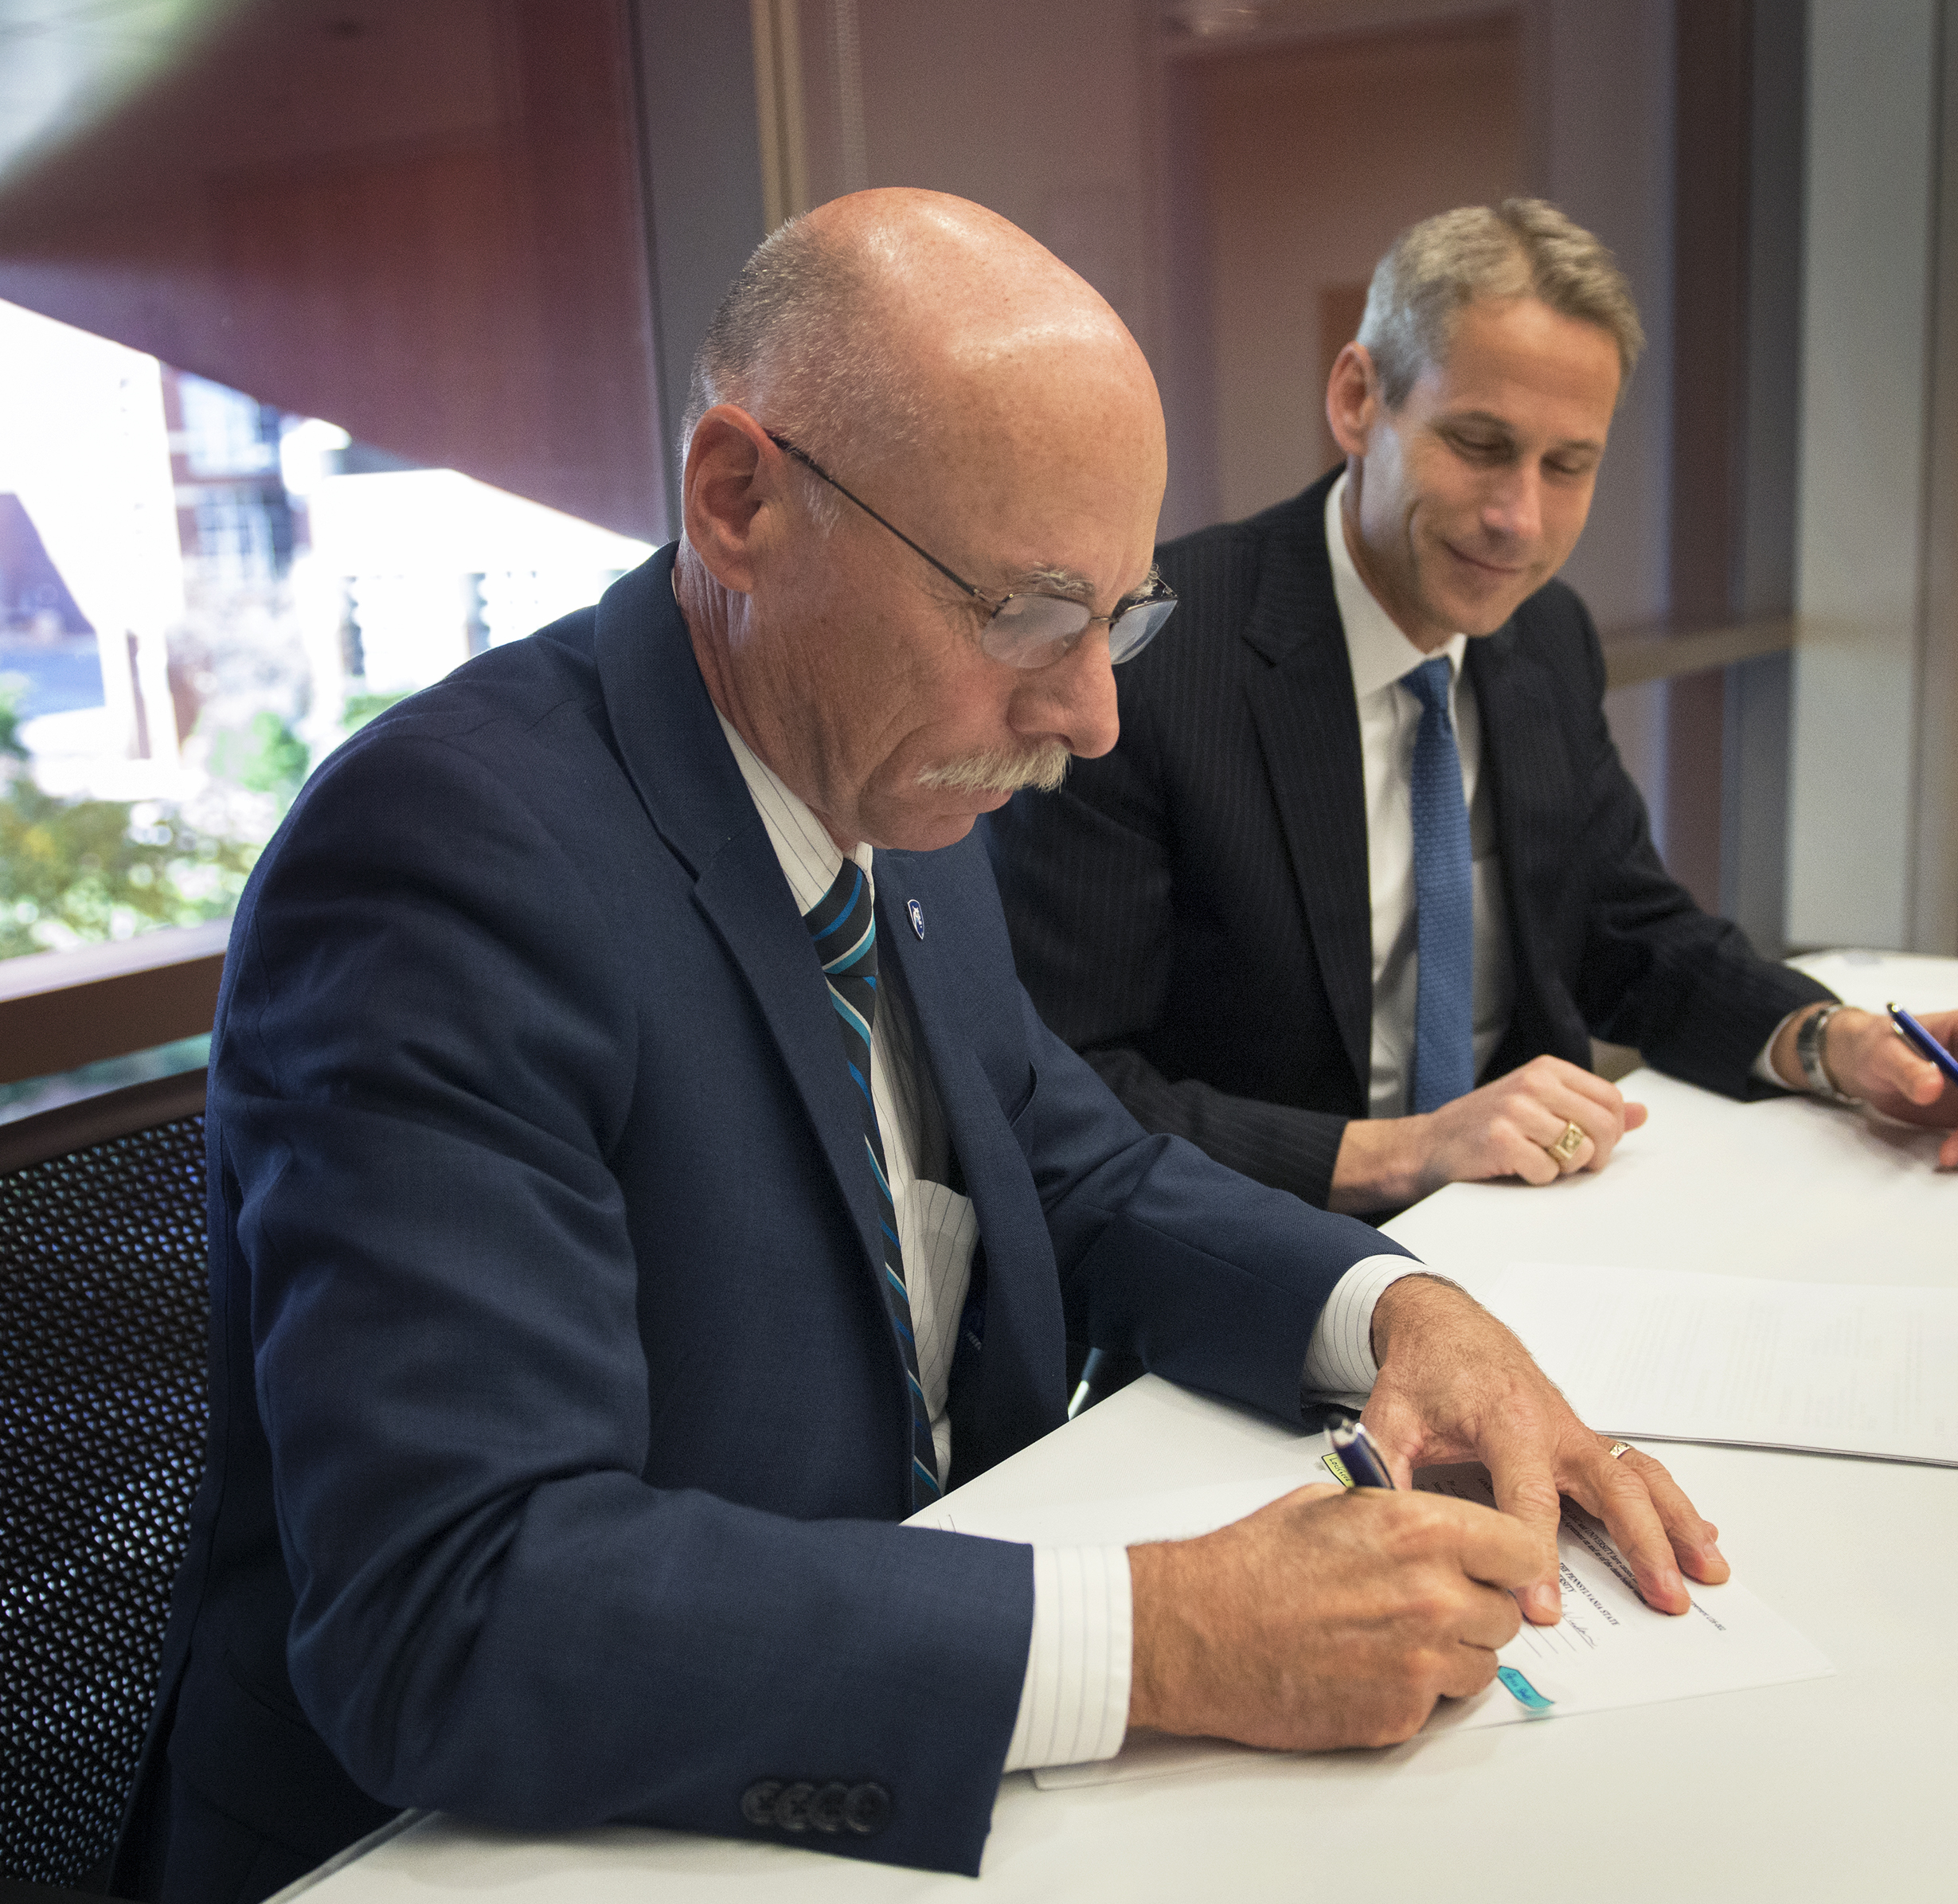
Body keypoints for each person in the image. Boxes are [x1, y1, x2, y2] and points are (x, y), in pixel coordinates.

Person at [114, 191, 1728, 1901]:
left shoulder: (889, 788)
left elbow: (1080, 1164)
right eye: (1029, 613)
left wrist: (1406, 1310)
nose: (1091, 714)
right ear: (740, 502)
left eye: (1122, 617)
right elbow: (457, 1602)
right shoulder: (446, 864)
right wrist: (1172, 1632)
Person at [987, 199, 1958, 1218]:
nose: (1517, 520)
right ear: (1358, 399)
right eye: (1480, 445)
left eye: (1567, 466)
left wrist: (1835, 1043)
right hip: (1257, 1253)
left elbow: (1631, 939)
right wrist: (1407, 1154)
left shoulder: (1543, 639)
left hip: (1526, 1233)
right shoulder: (1153, 657)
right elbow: (1063, 1081)